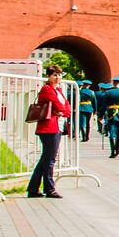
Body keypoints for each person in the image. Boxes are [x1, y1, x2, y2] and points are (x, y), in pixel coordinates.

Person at [27, 65, 70, 198]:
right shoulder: (47, 89)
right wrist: (62, 110)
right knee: (50, 159)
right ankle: (49, 189)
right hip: (49, 128)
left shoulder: (59, 90)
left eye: (59, 75)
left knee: (46, 159)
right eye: (54, 75)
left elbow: (66, 108)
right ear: (48, 76)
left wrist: (63, 111)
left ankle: (33, 188)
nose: (58, 78)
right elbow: (58, 106)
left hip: (57, 126)